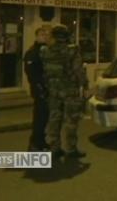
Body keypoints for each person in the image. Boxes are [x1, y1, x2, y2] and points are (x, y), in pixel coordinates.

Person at [41, 25, 88, 158]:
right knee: (71, 121)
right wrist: (84, 84)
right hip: (69, 90)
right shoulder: (72, 51)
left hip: (53, 90)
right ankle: (71, 149)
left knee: (54, 119)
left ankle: (54, 148)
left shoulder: (45, 51)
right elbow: (78, 70)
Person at [24, 27, 50, 151]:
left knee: (45, 118)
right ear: (36, 36)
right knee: (39, 117)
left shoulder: (48, 51)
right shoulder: (32, 52)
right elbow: (31, 73)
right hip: (39, 89)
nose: (44, 36)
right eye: (41, 34)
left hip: (49, 89)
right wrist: (39, 88)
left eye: (46, 34)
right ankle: (35, 142)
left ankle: (41, 141)